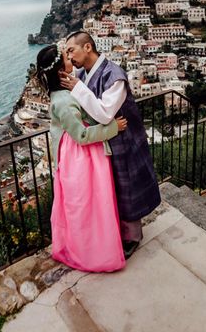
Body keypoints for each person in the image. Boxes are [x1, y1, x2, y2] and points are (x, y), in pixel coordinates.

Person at [60, 31, 161, 259]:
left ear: (87, 47)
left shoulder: (114, 76)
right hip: (107, 140)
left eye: (71, 50)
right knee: (113, 188)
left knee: (128, 189)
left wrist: (77, 88)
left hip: (125, 141)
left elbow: (105, 113)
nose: (69, 56)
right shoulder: (83, 73)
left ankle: (133, 237)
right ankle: (117, 232)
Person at [36, 44, 127, 272]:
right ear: (60, 71)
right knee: (89, 203)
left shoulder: (63, 92)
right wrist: (113, 127)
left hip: (77, 154)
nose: (71, 59)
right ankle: (93, 253)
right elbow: (82, 134)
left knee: (88, 204)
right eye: (67, 57)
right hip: (80, 156)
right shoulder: (64, 101)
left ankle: (93, 247)